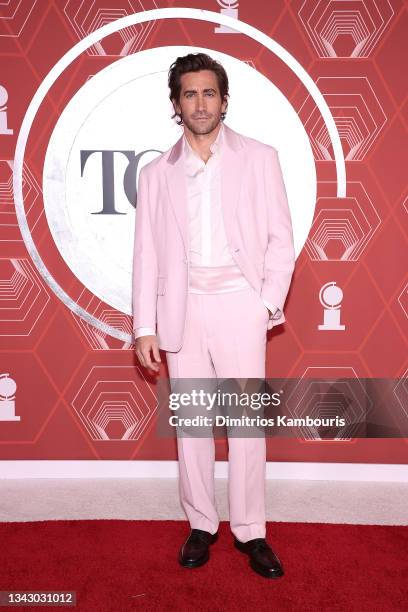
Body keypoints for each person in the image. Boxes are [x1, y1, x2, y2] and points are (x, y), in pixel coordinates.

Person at [132, 53, 295, 579]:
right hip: (182, 311)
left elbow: (279, 240)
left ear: (224, 100)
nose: (199, 102)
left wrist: (265, 303)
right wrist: (144, 325)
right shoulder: (158, 173)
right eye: (189, 94)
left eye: (208, 93)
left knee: (246, 425)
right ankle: (202, 524)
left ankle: (251, 531)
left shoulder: (260, 157)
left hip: (239, 306)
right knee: (194, 425)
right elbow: (147, 253)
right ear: (175, 105)